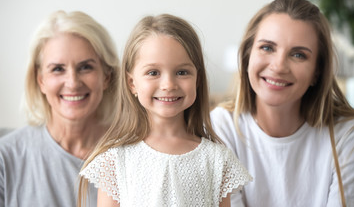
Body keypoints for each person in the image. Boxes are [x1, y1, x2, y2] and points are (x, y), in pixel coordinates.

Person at [77, 14, 252, 207]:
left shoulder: (217, 160)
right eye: (153, 73)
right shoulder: (116, 160)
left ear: (198, 79)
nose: (168, 84)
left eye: (182, 72)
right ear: (131, 83)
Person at [211, 0, 354, 207]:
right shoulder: (221, 126)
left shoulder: (348, 135)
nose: (279, 66)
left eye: (299, 55)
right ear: (247, 57)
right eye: (267, 48)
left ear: (317, 72)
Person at [0, 10, 120, 207]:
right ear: (41, 80)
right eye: (58, 69)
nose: (72, 83)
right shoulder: (5, 159)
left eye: (85, 67)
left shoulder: (134, 155)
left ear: (106, 77)